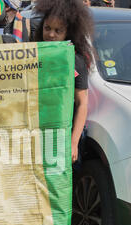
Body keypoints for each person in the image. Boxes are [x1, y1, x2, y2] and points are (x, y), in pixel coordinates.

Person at [34, 0, 93, 163]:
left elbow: (82, 104)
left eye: (58, 30)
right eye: (47, 28)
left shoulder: (75, 61)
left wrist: (73, 143)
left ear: (68, 32)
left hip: (62, 134)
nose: (51, 35)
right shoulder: (33, 54)